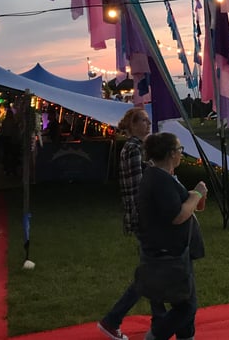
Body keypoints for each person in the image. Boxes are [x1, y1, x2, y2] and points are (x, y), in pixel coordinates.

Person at [137, 132, 207, 340]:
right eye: (179, 150)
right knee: (186, 306)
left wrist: (195, 197)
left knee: (184, 301)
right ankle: (156, 335)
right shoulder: (160, 180)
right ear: (170, 154)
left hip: (173, 249)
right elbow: (177, 215)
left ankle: (185, 336)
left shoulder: (161, 177)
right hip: (169, 252)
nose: (181, 154)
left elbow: (187, 206)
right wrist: (197, 194)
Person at [98, 107, 155, 340]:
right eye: (143, 121)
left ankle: (159, 321)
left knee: (152, 272)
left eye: (148, 121)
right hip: (144, 217)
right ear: (132, 124)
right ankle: (112, 320)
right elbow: (141, 187)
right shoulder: (133, 149)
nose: (148, 124)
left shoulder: (135, 147)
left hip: (141, 216)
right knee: (149, 275)